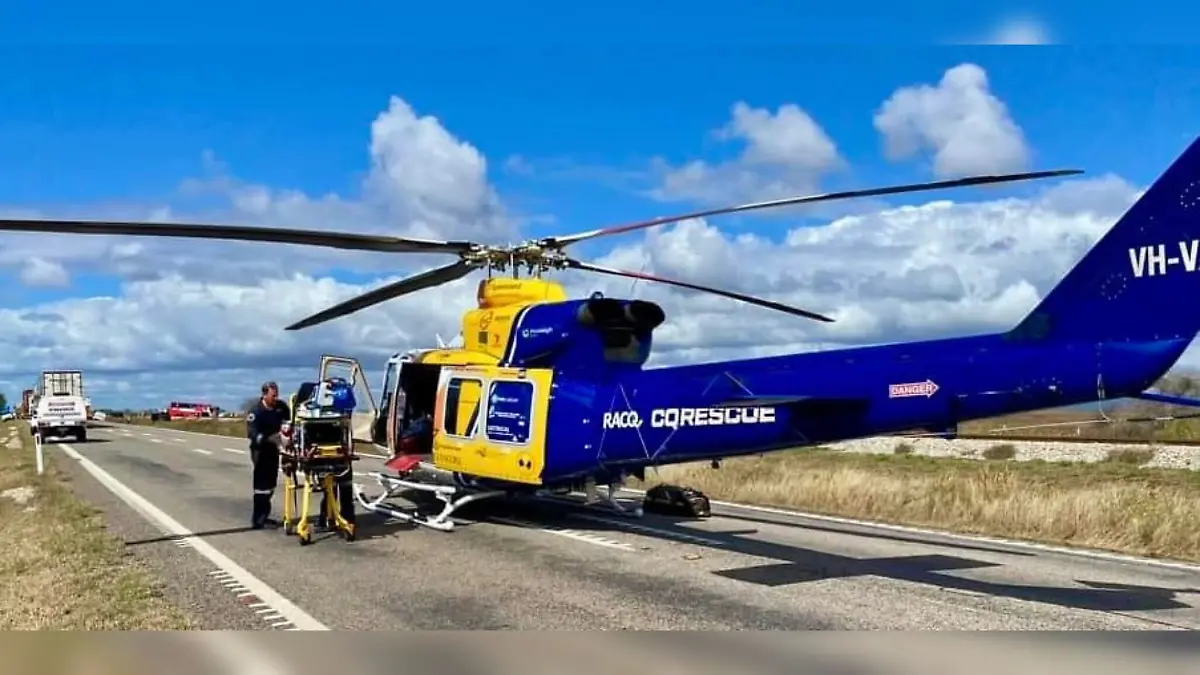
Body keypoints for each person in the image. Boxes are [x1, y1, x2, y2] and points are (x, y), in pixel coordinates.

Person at [246, 380, 290, 529]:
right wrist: (268, 438)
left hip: (275, 449)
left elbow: (288, 422)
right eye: (273, 395)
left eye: (277, 395)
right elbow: (252, 434)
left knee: (271, 484)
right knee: (261, 486)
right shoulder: (256, 412)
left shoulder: (281, 407)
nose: (275, 398)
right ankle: (258, 519)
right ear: (264, 395)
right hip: (260, 450)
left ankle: (265, 515)